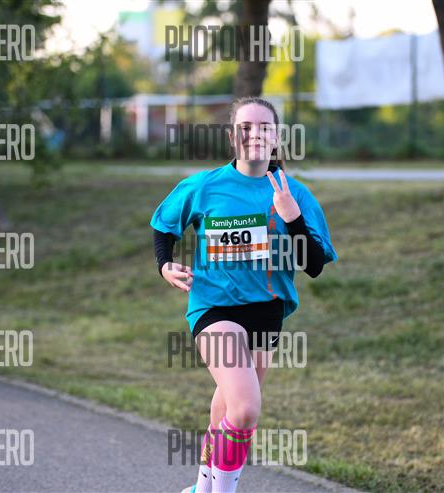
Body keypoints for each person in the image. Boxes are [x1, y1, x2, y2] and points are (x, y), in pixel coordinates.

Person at [150, 96, 337, 493]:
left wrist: (292, 218)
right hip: (214, 307)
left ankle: (201, 488)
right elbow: (164, 225)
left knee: (228, 413)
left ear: (277, 136)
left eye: (264, 127)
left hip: (267, 314)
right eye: (245, 127)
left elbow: (314, 265)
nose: (255, 134)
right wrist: (165, 264)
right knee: (247, 409)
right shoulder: (205, 186)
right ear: (232, 136)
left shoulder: (296, 194)